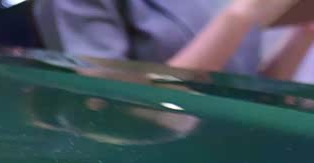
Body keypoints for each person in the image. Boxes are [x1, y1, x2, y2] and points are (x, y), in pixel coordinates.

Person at [40, 0, 314, 77]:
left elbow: (246, 86)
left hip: (231, 158)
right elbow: (108, 105)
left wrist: (305, 32)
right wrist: (240, 17)